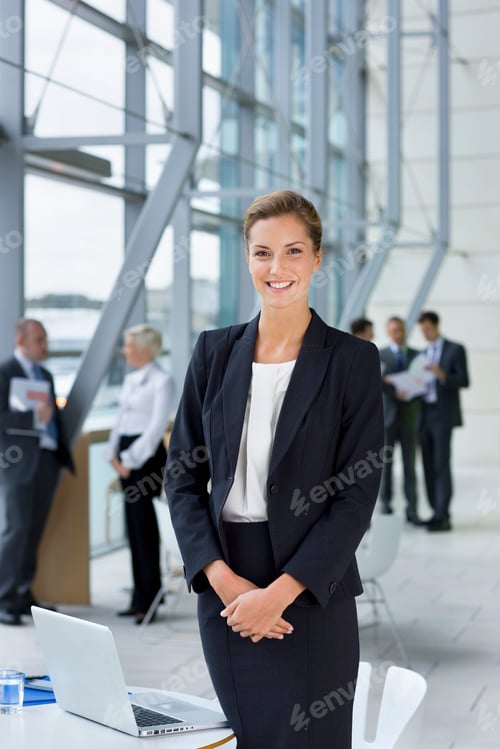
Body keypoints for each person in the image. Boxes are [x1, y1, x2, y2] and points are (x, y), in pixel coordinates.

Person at [165, 190, 384, 748]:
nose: (277, 268)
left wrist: (279, 593)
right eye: (263, 253)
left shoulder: (352, 361)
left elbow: (355, 498)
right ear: (247, 258)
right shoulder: (213, 352)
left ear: (316, 258)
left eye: (292, 251)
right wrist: (222, 580)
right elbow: (182, 478)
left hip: (310, 592)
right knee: (249, 737)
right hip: (227, 590)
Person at [0, 318, 74, 626]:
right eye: (39, 341)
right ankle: (4, 599)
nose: (45, 347)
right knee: (16, 530)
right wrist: (31, 416)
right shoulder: (5, 373)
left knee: (33, 530)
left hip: (46, 460)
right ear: (21, 342)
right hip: (17, 463)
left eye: (45, 340)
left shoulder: (44, 374)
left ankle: (22, 592)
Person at [106, 324, 174, 624]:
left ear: (145, 349)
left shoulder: (162, 380)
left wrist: (130, 461)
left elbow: (157, 427)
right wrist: (112, 454)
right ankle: (138, 596)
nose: (125, 351)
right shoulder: (132, 379)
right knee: (131, 528)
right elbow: (120, 419)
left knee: (144, 526)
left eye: (129, 345)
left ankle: (150, 599)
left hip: (145, 460)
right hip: (125, 456)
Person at [418, 311, 470, 532]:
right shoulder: (421, 354)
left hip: (443, 415)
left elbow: (464, 380)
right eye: (422, 331)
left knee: (441, 464)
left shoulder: (454, 349)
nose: (426, 334)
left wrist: (441, 374)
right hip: (423, 414)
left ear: (437, 325)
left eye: (428, 329)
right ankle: (434, 511)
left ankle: (444, 514)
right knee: (428, 465)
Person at [379, 316, 423, 524]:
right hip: (387, 419)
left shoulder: (417, 356)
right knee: (385, 465)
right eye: (395, 330)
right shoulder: (380, 355)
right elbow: (373, 383)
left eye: (401, 329)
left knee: (410, 466)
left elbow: (423, 383)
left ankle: (412, 509)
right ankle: (385, 505)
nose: (399, 333)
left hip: (408, 418)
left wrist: (410, 391)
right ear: (389, 332)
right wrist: (391, 388)